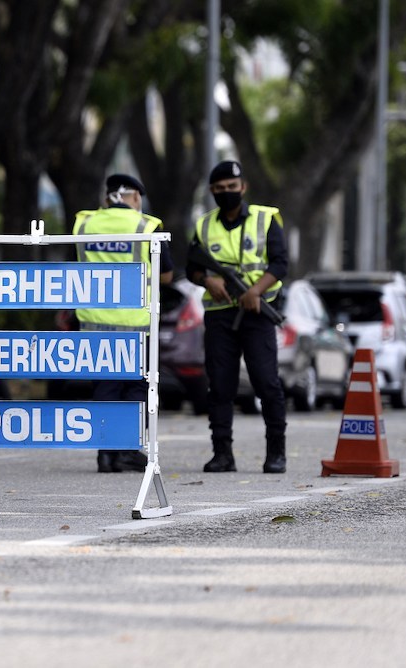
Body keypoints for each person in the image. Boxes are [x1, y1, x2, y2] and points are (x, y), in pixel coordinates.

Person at [185, 160, 288, 474]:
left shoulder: (265, 219)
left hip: (256, 314)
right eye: (219, 189)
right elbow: (191, 268)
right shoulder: (204, 225)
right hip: (219, 315)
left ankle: (276, 453)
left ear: (243, 187)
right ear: (212, 192)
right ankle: (222, 454)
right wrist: (208, 280)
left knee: (267, 383)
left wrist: (255, 291)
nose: (226, 193)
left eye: (232, 187)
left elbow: (280, 264)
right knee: (220, 386)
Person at [72, 174, 173, 473]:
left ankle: (105, 453)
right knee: (135, 390)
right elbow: (166, 274)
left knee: (104, 388)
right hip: (135, 323)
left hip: (92, 322)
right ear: (135, 198)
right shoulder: (146, 226)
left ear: (107, 198)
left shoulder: (84, 224)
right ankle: (127, 450)